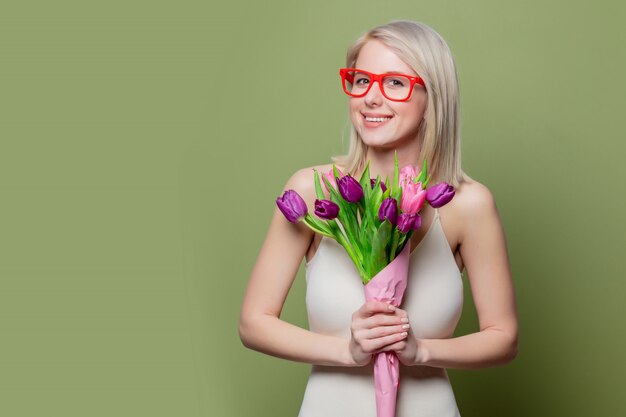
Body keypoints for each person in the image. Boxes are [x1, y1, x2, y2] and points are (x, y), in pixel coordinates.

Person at [239, 20, 518, 417]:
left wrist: (420, 350)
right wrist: (347, 351)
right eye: (361, 80)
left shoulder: (468, 205)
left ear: (433, 97)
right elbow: (253, 322)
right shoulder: (312, 191)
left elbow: (503, 338)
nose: (370, 98)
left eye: (395, 83)